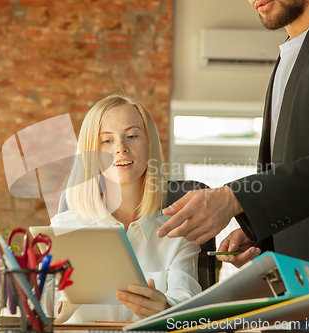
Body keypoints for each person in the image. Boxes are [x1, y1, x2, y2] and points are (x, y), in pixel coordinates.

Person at [157, 0, 309, 295]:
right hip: (300, 284)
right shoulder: (289, 55)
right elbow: (299, 175)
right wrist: (262, 230)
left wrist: (236, 198)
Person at [50, 94, 201, 323]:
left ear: (149, 145)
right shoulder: (63, 229)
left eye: (132, 136)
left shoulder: (179, 233)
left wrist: (166, 310)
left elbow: (190, 310)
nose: (121, 148)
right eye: (107, 140)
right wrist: (70, 295)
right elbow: (33, 314)